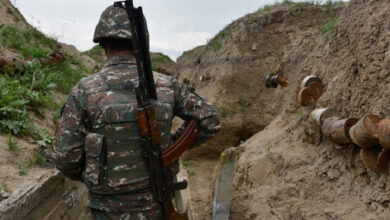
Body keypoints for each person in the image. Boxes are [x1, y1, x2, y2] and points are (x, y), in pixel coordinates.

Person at [52, 5, 221, 220]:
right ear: (142, 41)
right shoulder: (168, 86)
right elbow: (211, 120)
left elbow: (65, 159)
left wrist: (96, 175)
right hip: (157, 205)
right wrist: (169, 151)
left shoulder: (85, 90)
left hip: (107, 210)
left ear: (103, 44)